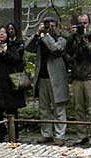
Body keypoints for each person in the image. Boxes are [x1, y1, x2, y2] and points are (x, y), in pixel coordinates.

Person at [26, 16, 69, 144]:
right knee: (44, 108)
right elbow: (28, 47)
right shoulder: (41, 37)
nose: (50, 28)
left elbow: (55, 48)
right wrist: (37, 34)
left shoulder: (62, 38)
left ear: (56, 26)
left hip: (56, 79)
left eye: (52, 25)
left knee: (58, 108)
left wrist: (46, 36)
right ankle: (46, 133)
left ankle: (59, 136)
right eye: (47, 25)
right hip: (42, 77)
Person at [66, 13, 91, 145]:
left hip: (90, 76)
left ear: (89, 23)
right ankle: (81, 134)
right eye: (80, 23)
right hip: (77, 76)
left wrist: (83, 38)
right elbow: (67, 52)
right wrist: (73, 37)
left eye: (85, 23)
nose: (82, 25)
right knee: (78, 107)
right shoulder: (73, 37)